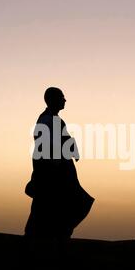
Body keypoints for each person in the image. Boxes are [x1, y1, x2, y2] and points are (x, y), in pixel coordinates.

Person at [24, 87, 94, 241]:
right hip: (51, 172)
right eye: (62, 97)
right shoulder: (46, 120)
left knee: (54, 207)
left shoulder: (54, 119)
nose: (65, 100)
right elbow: (43, 146)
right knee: (46, 208)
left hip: (58, 171)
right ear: (53, 99)